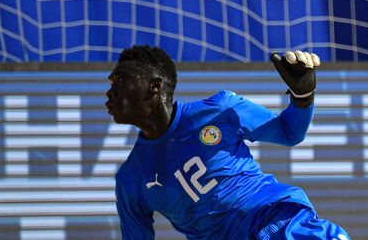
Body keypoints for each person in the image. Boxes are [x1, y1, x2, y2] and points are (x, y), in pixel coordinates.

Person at [105, 45, 350, 240]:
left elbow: (289, 132)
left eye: (119, 81)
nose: (110, 91)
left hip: (272, 219)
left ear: (154, 86)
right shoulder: (130, 179)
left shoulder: (220, 110)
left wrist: (303, 95)